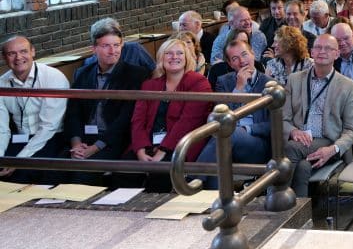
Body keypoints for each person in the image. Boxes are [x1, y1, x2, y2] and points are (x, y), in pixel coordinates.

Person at [66, 19, 149, 184]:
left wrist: (95, 148)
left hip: (113, 139)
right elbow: (73, 113)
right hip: (84, 138)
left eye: (116, 45)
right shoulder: (82, 73)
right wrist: (76, 143)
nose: (113, 51)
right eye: (106, 46)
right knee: (54, 168)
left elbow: (125, 120)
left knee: (83, 174)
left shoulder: (136, 75)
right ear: (94, 49)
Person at [282, 34, 353, 199]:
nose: (322, 51)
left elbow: (351, 130)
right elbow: (283, 119)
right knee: (303, 167)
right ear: (311, 52)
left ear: (336, 54)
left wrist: (333, 149)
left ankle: (276, 199)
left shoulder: (348, 86)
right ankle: (301, 219)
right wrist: (294, 132)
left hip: (329, 141)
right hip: (300, 139)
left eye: (328, 48)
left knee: (290, 148)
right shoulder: (294, 80)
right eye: (318, 47)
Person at [128, 38, 213, 190]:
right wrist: (140, 149)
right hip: (148, 143)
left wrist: (163, 150)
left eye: (180, 53)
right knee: (124, 171)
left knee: (160, 174)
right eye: (169, 53)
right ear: (161, 58)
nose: (174, 57)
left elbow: (187, 122)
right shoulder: (149, 85)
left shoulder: (199, 83)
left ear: (187, 58)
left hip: (180, 144)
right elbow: (137, 121)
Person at [196, 39, 273, 188]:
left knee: (228, 134)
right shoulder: (223, 82)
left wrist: (246, 130)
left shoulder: (269, 83)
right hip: (227, 142)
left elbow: (273, 124)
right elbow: (220, 116)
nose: (242, 61)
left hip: (256, 144)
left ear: (253, 54)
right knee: (220, 154)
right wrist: (238, 89)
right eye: (235, 58)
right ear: (230, 64)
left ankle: (192, 179)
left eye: (244, 54)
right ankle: (215, 202)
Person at [0, 36, 70, 182]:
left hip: (51, 138)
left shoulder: (53, 77)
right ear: (4, 58)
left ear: (33, 52)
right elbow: (2, 129)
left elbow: (48, 128)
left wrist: (19, 160)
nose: (18, 57)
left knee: (23, 173)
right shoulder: (2, 83)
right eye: (11, 53)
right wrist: (1, 156)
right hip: (19, 138)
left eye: (23, 51)